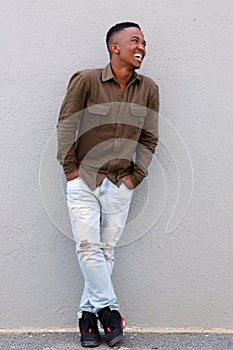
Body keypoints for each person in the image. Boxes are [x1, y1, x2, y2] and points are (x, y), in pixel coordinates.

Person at [57, 22, 159, 348]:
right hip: (84, 180)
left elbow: (150, 137)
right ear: (115, 48)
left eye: (143, 41)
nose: (142, 46)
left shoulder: (149, 89)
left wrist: (134, 178)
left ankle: (87, 318)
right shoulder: (86, 80)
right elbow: (66, 124)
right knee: (88, 248)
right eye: (135, 41)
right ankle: (110, 311)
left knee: (106, 251)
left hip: (120, 184)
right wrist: (71, 170)